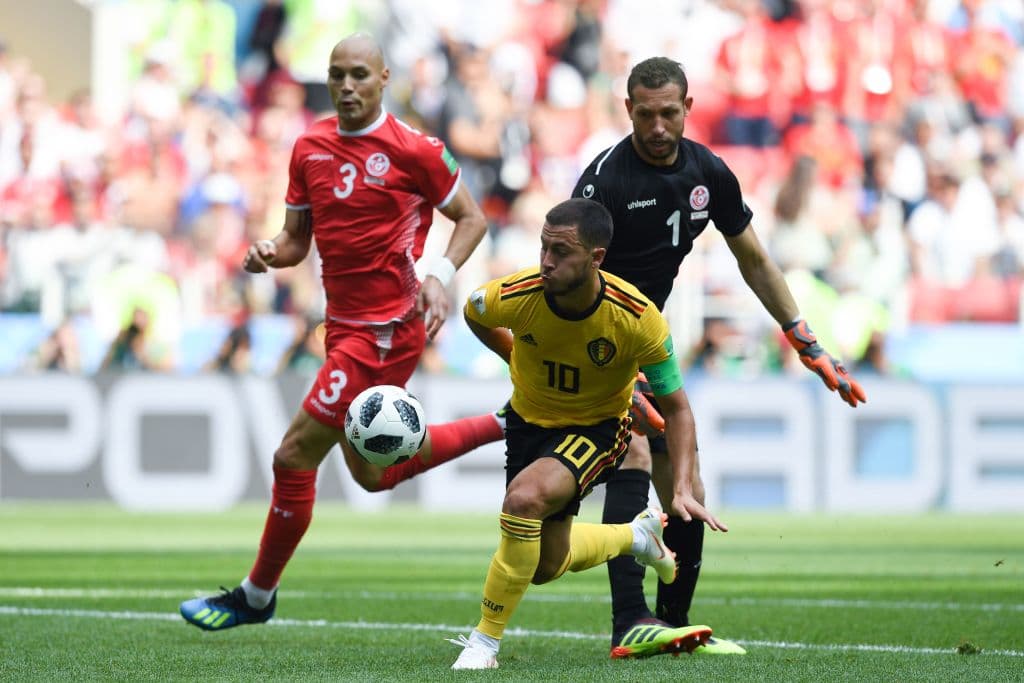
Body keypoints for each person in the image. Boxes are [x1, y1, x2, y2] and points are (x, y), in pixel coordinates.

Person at [180, 33, 503, 631]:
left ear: (384, 79)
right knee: (369, 472)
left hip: (386, 329)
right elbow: (296, 240)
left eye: (359, 74)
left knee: (291, 455)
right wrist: (269, 253)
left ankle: (256, 596)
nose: (347, 86)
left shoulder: (416, 150)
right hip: (343, 326)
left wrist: (438, 274)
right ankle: (508, 423)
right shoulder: (309, 146)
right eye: (337, 75)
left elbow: (473, 218)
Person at [571, 56, 867, 657]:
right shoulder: (604, 182)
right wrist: (604, 366)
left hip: (647, 341)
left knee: (685, 481)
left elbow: (753, 259)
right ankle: (630, 621)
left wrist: (803, 340)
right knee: (626, 454)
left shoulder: (709, 173)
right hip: (593, 342)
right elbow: (564, 277)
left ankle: (672, 626)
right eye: (646, 115)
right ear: (628, 110)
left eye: (669, 114)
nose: (657, 127)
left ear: (688, 109)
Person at [449, 198, 726, 670]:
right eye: (543, 247)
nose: (546, 261)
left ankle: (483, 643)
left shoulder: (636, 318)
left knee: (523, 499)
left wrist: (681, 485)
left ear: (596, 258)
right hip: (528, 424)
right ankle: (636, 538)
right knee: (542, 566)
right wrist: (515, 358)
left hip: (598, 427)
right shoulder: (515, 296)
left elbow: (677, 408)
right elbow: (475, 313)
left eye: (561, 252)